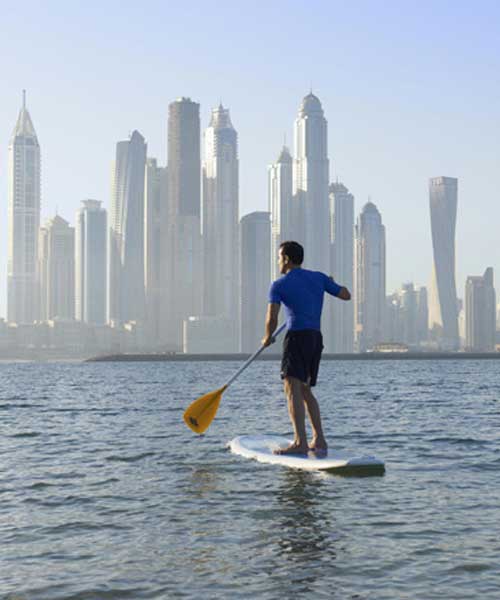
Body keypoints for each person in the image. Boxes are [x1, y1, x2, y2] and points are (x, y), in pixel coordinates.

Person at [262, 240, 351, 456]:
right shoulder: (318, 278)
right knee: (304, 389)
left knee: (291, 388)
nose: (277, 261)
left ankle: (300, 442)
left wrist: (267, 337)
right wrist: (330, 282)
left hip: (296, 339)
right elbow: (345, 295)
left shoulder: (279, 285)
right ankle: (319, 440)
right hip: (315, 338)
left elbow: (272, 317)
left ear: (286, 259)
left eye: (279, 257)